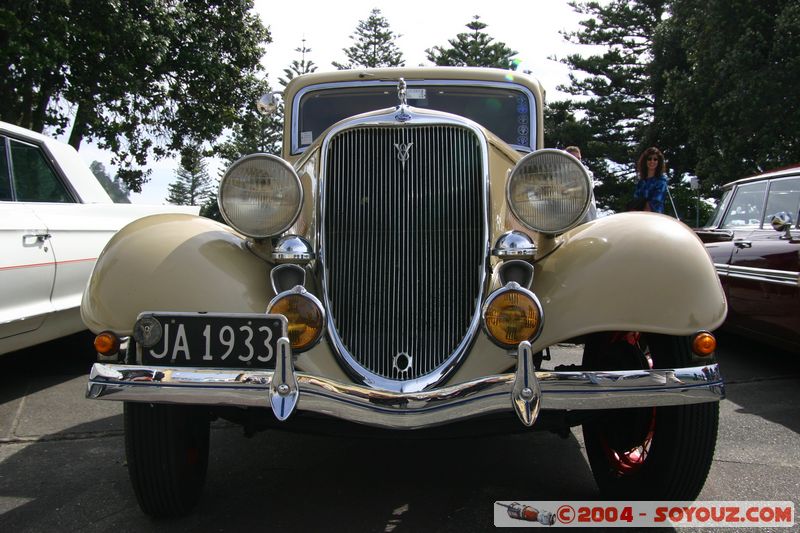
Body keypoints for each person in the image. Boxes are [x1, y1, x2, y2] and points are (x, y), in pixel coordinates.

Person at [565, 145, 597, 222]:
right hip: (567, 218)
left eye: (579, 158)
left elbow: (586, 187)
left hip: (586, 218)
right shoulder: (560, 176)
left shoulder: (587, 173)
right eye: (574, 158)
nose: (577, 161)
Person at [631, 147, 669, 213]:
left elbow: (656, 200)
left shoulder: (661, 182)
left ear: (658, 162)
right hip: (639, 215)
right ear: (645, 161)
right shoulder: (641, 182)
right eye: (649, 159)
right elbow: (636, 199)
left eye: (655, 159)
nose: (652, 161)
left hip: (655, 216)